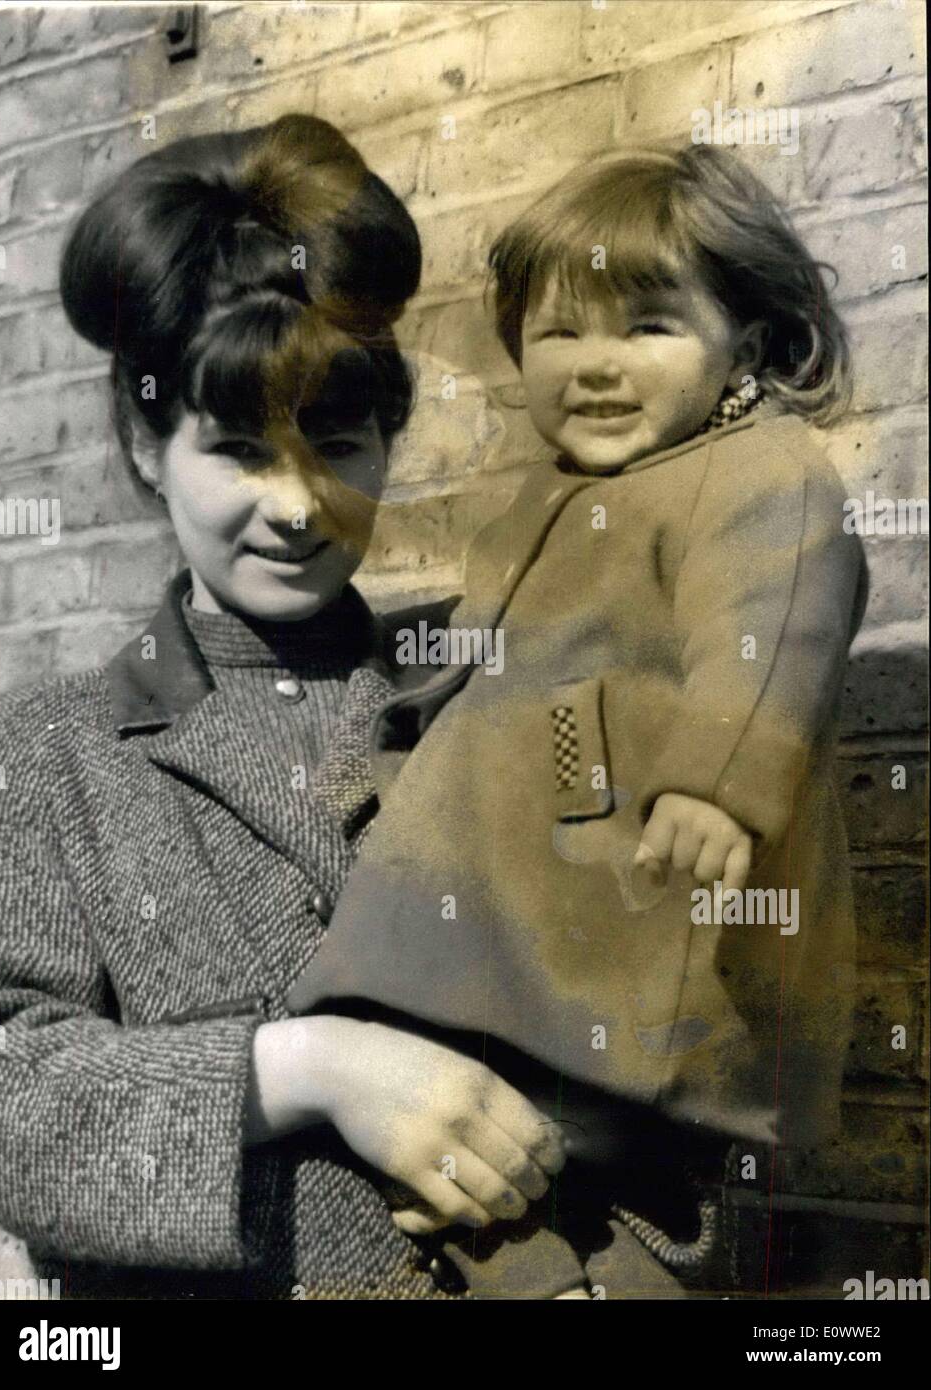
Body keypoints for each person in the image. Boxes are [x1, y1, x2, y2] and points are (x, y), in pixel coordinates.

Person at [0, 112, 568, 1301]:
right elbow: (2, 1110)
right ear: (146, 446)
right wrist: (308, 1069)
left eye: (336, 443)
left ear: (389, 439)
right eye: (242, 449)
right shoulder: (45, 754)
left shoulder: (488, 685)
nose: (297, 507)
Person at [286, 144, 870, 1298]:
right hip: (514, 891)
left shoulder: (760, 476)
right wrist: (398, 753)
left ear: (743, 343)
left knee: (574, 1129)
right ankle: (533, 1262)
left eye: (647, 328)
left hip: (635, 878)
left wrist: (715, 781)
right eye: (559, 333)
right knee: (437, 1107)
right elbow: (481, 655)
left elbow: (770, 626)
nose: (596, 366)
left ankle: (567, 1271)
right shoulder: (547, 496)